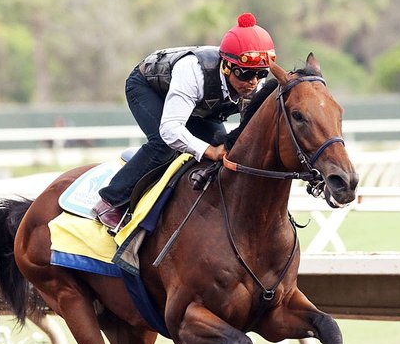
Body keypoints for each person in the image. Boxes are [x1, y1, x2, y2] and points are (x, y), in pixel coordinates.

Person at [93, 12, 276, 230]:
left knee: (223, 149)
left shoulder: (257, 84)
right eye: (245, 74)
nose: (253, 83)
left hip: (198, 106)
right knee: (163, 144)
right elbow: (171, 130)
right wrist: (208, 150)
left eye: (261, 74)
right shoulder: (193, 71)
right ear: (226, 66)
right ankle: (110, 202)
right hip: (148, 88)